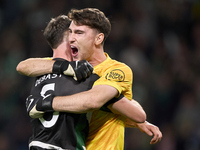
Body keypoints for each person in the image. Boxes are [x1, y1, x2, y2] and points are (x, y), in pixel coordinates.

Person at [17, 8, 162, 150]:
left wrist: (45, 103)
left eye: (79, 33)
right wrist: (62, 66)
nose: (71, 38)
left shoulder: (115, 69)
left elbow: (94, 100)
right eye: (71, 32)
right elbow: (24, 66)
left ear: (98, 39)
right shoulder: (70, 67)